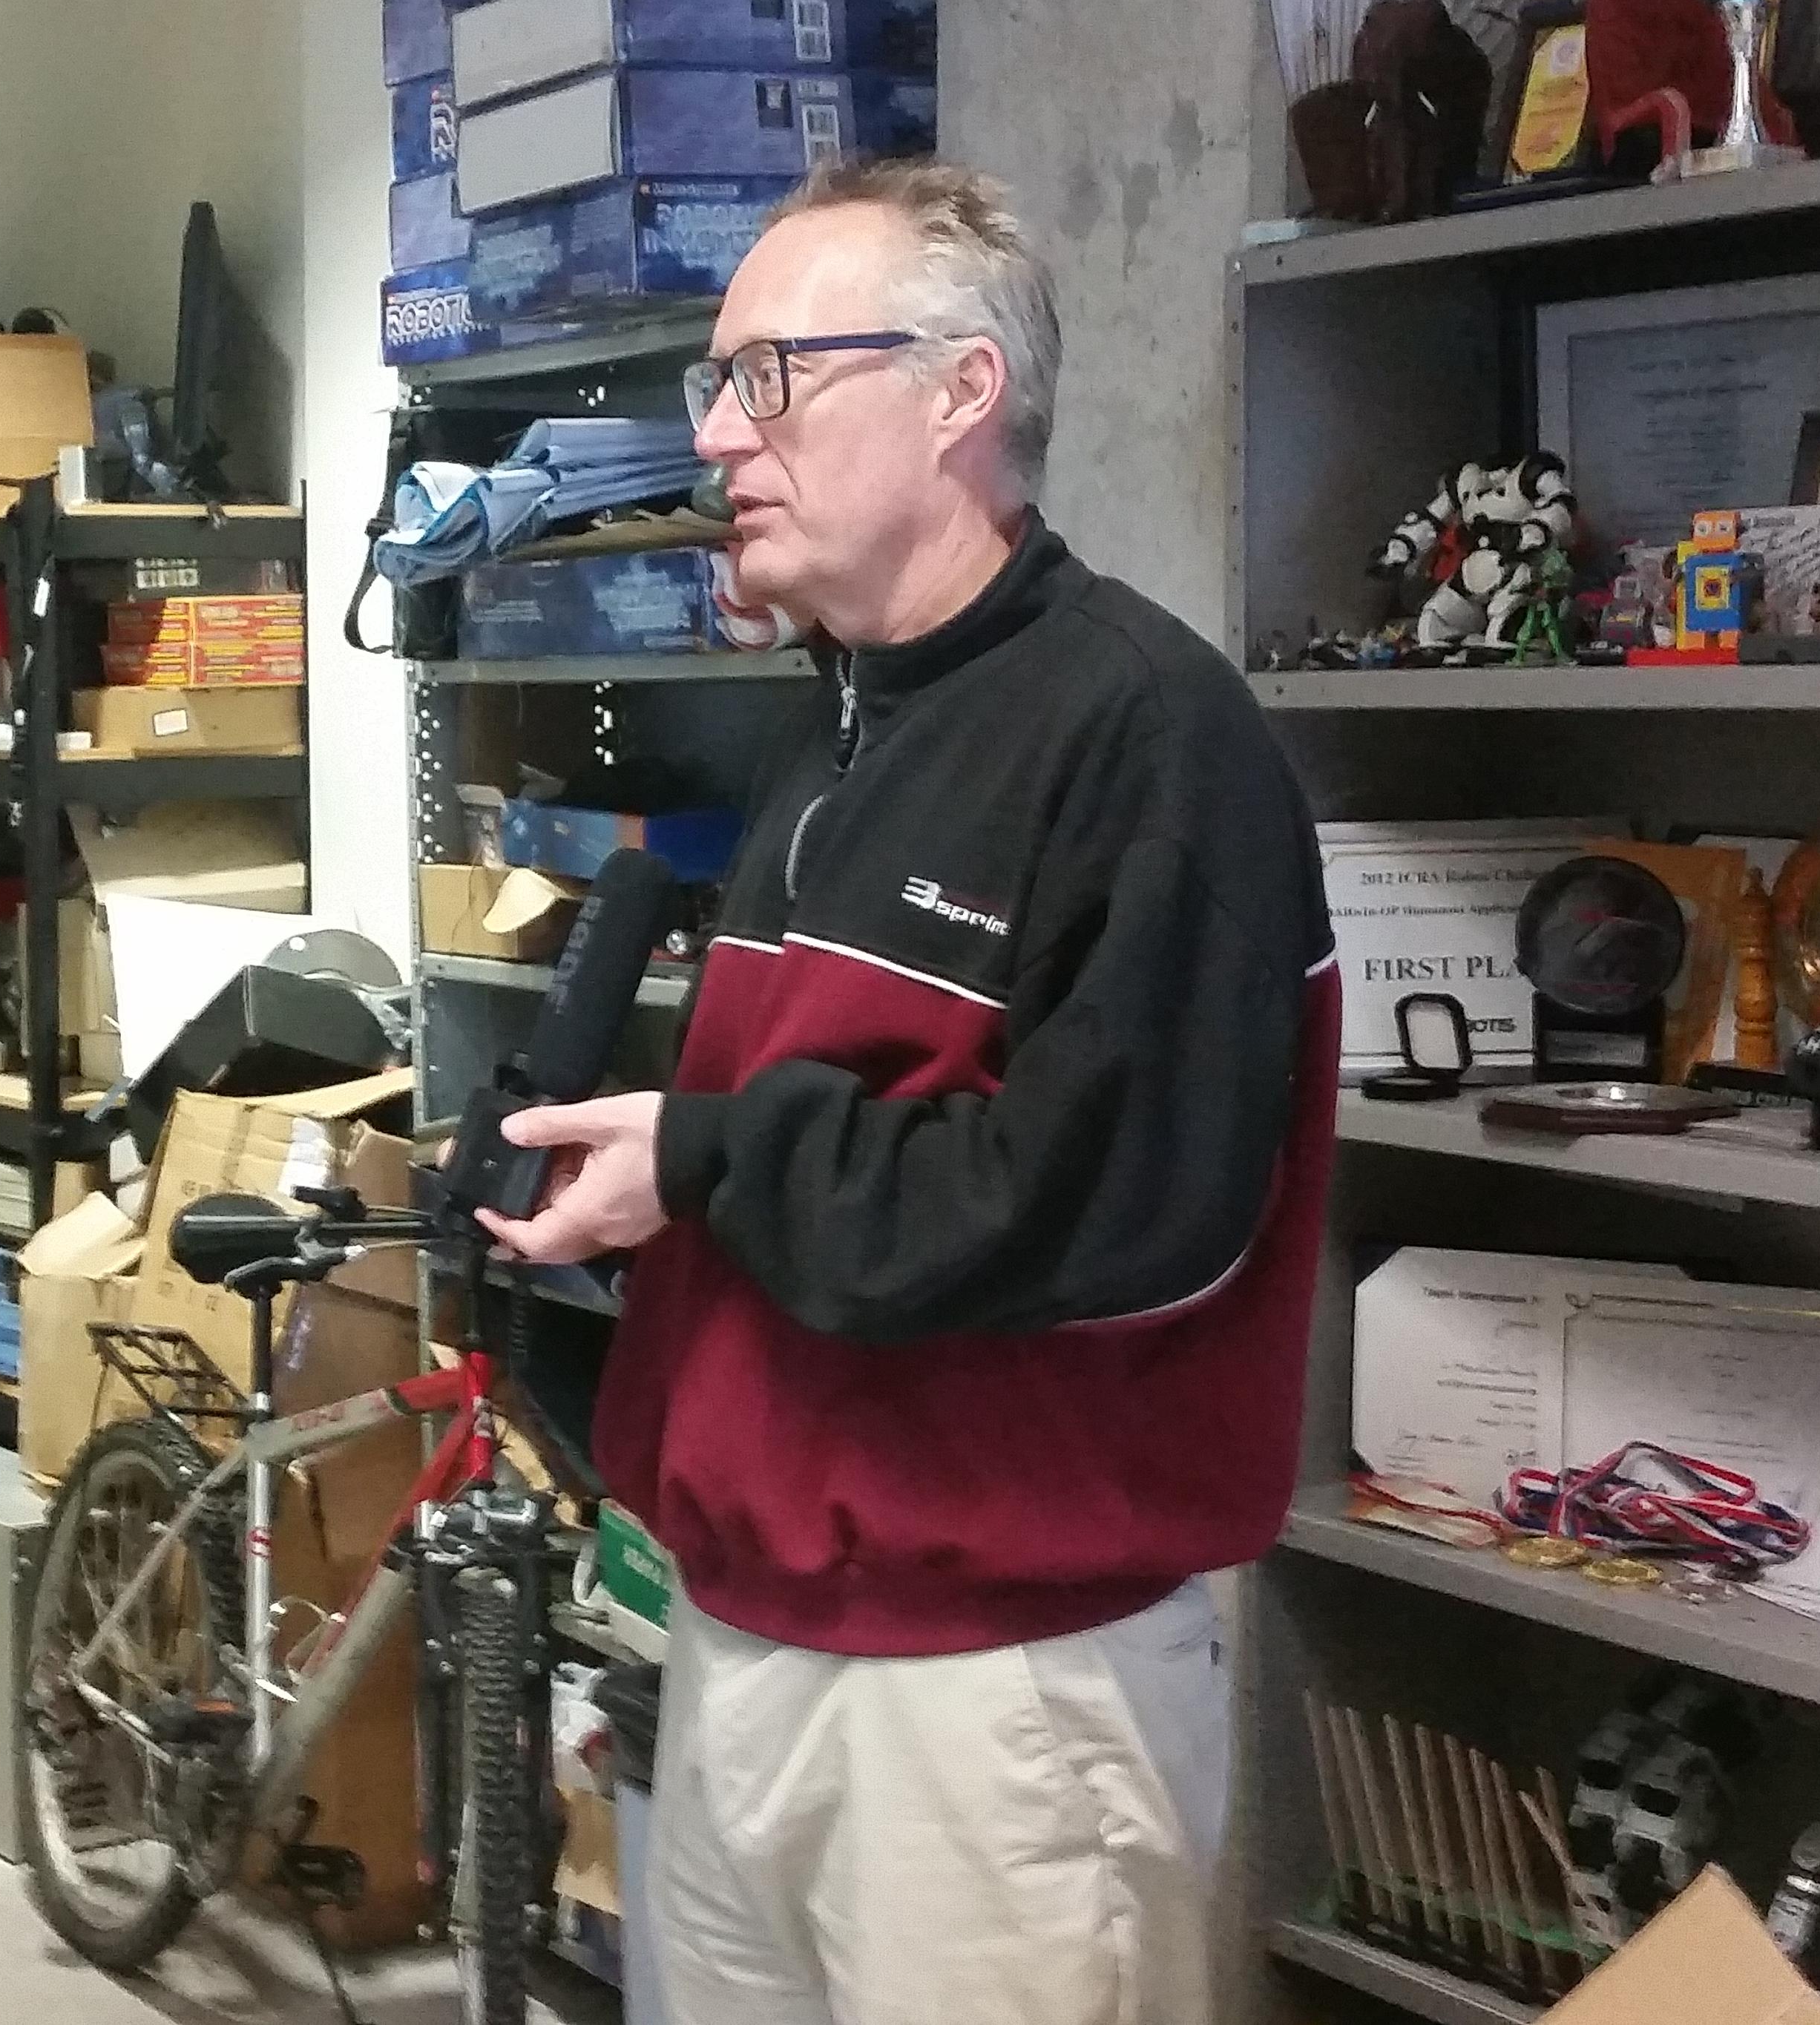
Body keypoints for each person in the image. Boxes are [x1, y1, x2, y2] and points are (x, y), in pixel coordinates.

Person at [479, 159, 1339, 2025]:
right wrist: (655, 1191)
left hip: (994, 1707)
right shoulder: (838, 739)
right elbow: (821, 1166)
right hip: (748, 1648)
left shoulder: (1146, 740)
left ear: (962, 393)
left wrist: (712, 1157)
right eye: (714, 385)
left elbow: (1096, 1208)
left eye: (768, 378)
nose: (718, 434)